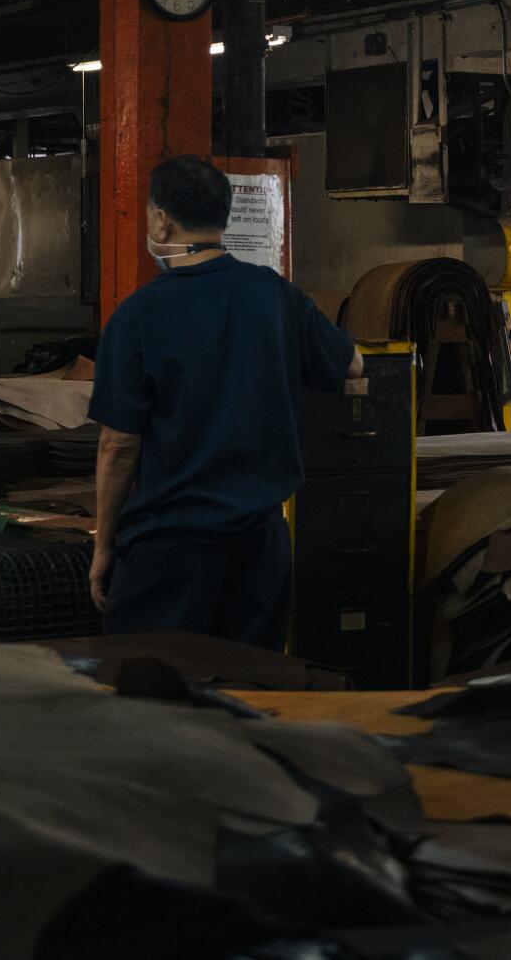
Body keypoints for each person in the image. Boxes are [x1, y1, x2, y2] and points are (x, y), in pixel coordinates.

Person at [88, 155, 364, 647]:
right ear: (225, 216)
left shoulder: (137, 316)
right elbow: (353, 366)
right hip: (260, 546)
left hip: (169, 549)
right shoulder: (275, 295)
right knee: (246, 694)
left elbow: (118, 446)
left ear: (161, 219)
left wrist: (103, 546)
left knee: (153, 696)